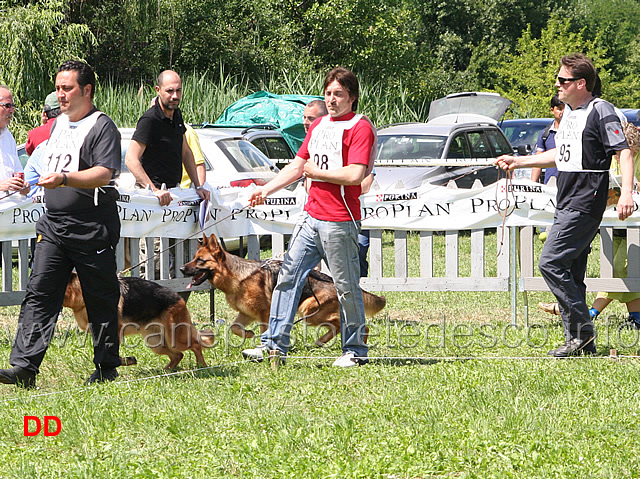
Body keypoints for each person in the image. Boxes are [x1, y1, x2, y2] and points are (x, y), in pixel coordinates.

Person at [496, 53, 635, 357]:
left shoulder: (602, 111)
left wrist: (626, 192)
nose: (557, 85)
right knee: (571, 271)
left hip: (587, 198)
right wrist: (519, 160)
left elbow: (622, 152)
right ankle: (582, 343)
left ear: (581, 83)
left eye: (562, 80)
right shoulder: (570, 113)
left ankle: (582, 333)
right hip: (567, 197)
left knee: (550, 263)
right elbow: (560, 155)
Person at [0, 60, 123, 388]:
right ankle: (24, 367)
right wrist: (31, 182)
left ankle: (107, 365)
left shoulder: (102, 126)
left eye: (67, 88)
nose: (61, 95)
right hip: (53, 226)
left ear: (87, 90)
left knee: (100, 297)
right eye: (58, 88)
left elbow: (104, 173)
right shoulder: (56, 127)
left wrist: (66, 179)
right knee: (40, 292)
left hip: (91, 225)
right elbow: (43, 168)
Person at [242, 67, 376, 367]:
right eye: (328, 93)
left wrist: (318, 173)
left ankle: (355, 351)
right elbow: (297, 165)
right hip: (310, 217)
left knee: (345, 286)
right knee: (287, 278)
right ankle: (273, 345)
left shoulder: (360, 127)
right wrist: (267, 189)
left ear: (351, 97)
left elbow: (355, 174)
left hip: (340, 220)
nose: (332, 99)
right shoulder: (318, 127)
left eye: (338, 94)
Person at [539, 122, 640, 327]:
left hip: (634, 224)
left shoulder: (635, 159)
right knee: (620, 270)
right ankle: (636, 317)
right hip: (611, 224)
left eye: (629, 153)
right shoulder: (606, 158)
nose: (620, 159)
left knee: (622, 267)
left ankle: (589, 312)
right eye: (618, 154)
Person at [125, 70, 209, 206]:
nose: (175, 96)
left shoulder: (177, 114)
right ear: (158, 90)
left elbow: (186, 152)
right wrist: (154, 190)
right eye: (170, 91)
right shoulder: (150, 120)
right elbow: (130, 159)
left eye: (178, 91)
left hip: (174, 193)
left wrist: (198, 187)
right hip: (151, 198)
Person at [0, 85, 29, 196]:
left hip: (10, 209)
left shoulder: (8, 137)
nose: (12, 110)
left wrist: (23, 187)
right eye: (7, 106)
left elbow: (18, 172)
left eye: (13, 106)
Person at [530, 95, 565, 184]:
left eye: (566, 109)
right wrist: (533, 184)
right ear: (552, 110)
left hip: (570, 183)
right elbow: (538, 161)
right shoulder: (545, 134)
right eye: (560, 109)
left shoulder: (575, 132)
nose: (563, 112)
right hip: (551, 183)